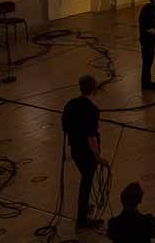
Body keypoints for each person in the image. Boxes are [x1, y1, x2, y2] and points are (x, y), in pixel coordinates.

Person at [61, 74, 107, 230]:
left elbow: (65, 127)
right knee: (86, 183)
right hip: (87, 152)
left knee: (85, 180)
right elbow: (91, 136)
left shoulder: (70, 104)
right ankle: (82, 219)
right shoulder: (91, 109)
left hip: (75, 150)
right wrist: (98, 157)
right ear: (93, 89)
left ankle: (84, 207)